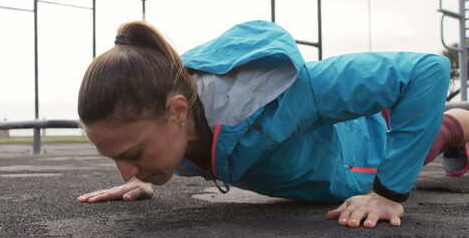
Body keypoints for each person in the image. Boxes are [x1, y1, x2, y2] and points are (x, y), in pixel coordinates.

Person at [76, 20, 469, 228]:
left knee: (440, 132)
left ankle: (457, 127)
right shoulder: (173, 133)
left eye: (133, 154)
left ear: (178, 112)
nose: (125, 170)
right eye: (114, 157)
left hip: (370, 142)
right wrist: (143, 176)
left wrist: (388, 194)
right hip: (325, 160)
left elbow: (426, 71)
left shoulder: (288, 92)